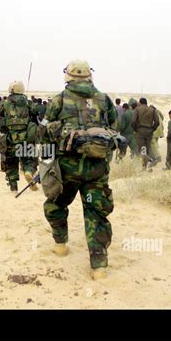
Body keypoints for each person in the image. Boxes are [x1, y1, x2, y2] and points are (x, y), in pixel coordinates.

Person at [41, 60, 117, 280]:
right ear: (89, 76)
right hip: (97, 170)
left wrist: (47, 160)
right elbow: (114, 128)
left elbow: (44, 132)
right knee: (96, 213)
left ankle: (61, 245)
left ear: (68, 76)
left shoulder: (58, 100)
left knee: (56, 203)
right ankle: (99, 266)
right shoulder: (104, 99)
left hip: (67, 170)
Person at [0, 81, 38, 192]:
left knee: (11, 162)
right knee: (29, 159)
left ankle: (13, 187)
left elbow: (0, 121)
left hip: (10, 139)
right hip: (27, 139)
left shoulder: (4, 104)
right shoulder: (29, 103)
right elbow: (36, 116)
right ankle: (28, 172)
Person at [131, 97, 159, 170]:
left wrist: (135, 129)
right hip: (149, 132)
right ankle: (146, 167)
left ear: (140, 103)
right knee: (147, 148)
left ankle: (150, 161)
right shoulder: (152, 110)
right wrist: (152, 129)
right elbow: (157, 122)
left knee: (142, 149)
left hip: (140, 132)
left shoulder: (137, 109)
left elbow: (133, 121)